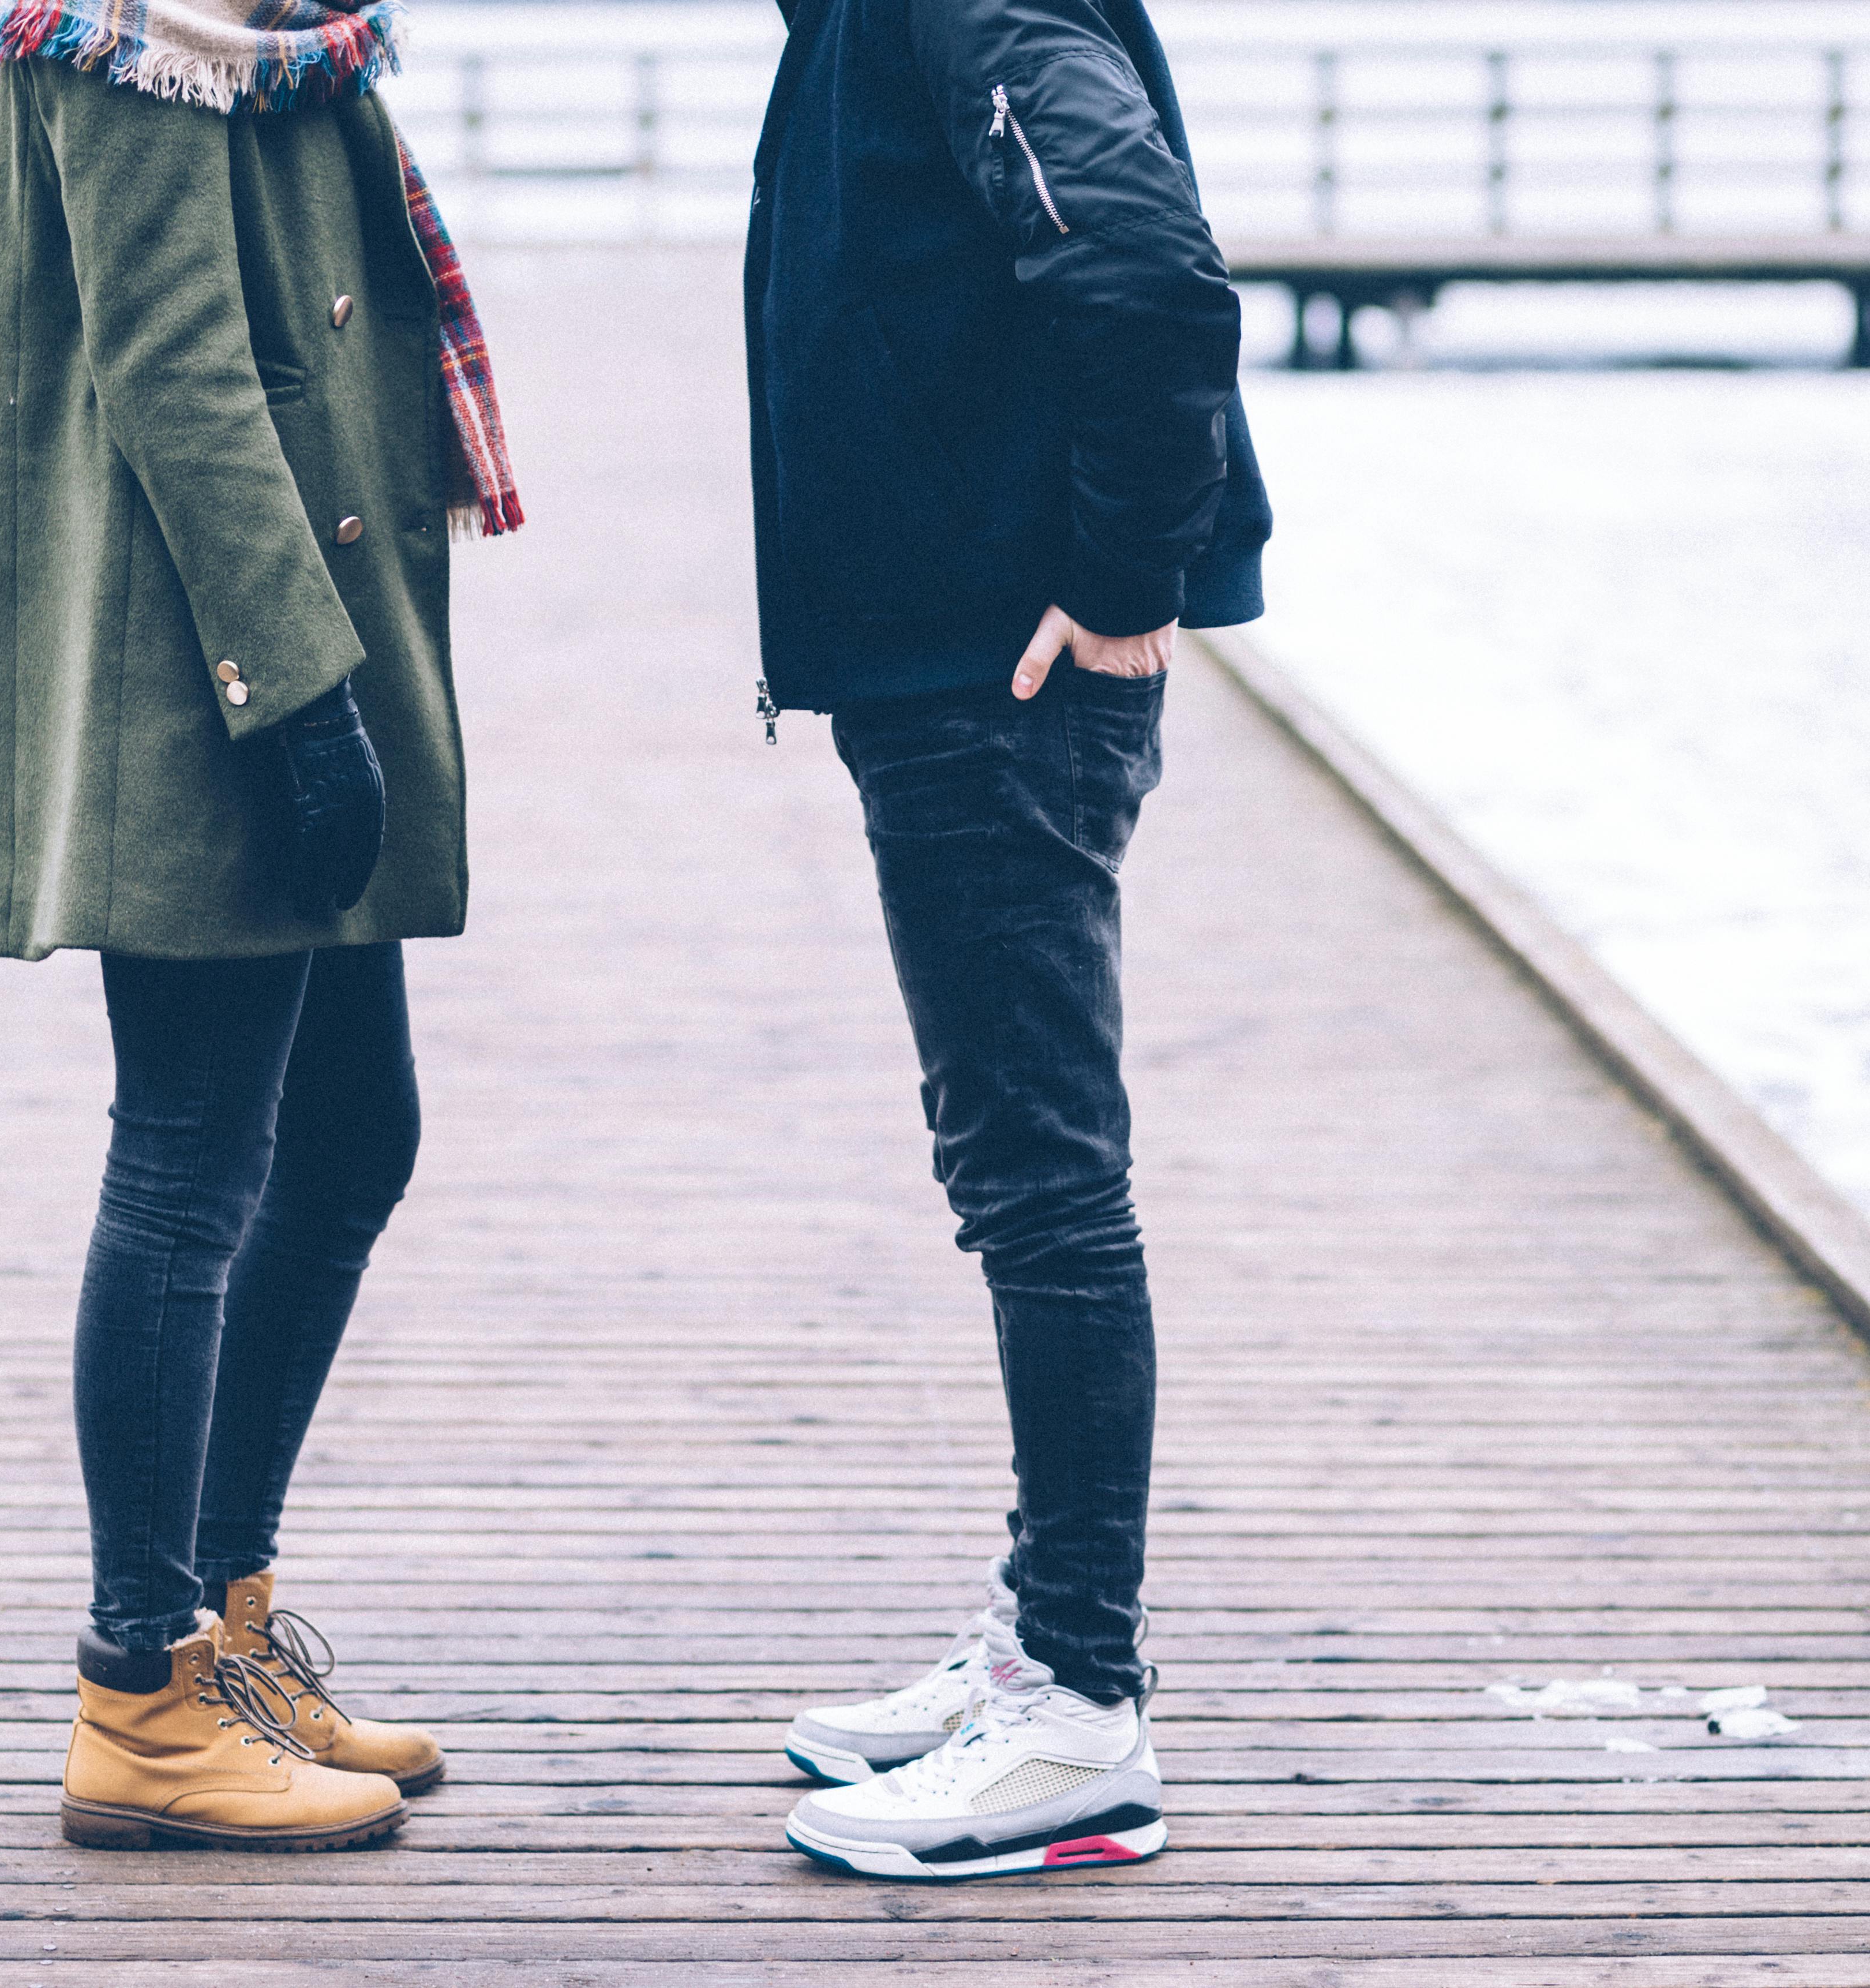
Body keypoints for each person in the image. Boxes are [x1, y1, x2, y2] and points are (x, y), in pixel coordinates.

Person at [0, 0, 522, 1853]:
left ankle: (221, 1622)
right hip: (211, 672)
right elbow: (174, 359)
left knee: (350, 1134)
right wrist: (301, 698)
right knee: (189, 1160)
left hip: (298, 642)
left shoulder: (273, 31)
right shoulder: (134, 31)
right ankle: (140, 1693)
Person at [743, 0, 1271, 1881]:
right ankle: (1045, 1646)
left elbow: (1142, 268)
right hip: (948, 657)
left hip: (1002, 671)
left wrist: (1127, 581)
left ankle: (1079, 1718)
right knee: (1016, 1169)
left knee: (1042, 1183)